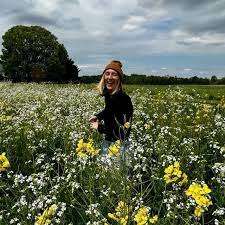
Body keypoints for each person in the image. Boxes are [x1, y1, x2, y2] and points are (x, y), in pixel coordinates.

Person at [89, 60, 133, 156]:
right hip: (109, 140)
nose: (109, 77)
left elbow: (122, 130)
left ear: (119, 79)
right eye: (107, 73)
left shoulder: (122, 98)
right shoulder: (110, 95)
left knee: (115, 170)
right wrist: (98, 117)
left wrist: (99, 127)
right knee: (105, 169)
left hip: (119, 145)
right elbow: (108, 110)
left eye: (114, 74)